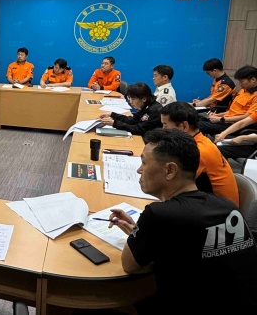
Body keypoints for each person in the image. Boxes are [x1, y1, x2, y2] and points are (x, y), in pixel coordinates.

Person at [108, 129, 257, 313]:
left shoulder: (159, 214)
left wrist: (142, 234)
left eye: (144, 162)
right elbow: (192, 248)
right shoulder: (227, 206)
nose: (139, 170)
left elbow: (130, 265)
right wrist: (143, 233)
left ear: (170, 170)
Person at [160, 102, 238, 205]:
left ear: (184, 126)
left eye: (165, 126)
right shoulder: (198, 141)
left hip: (220, 210)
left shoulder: (199, 151)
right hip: (210, 202)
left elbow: (172, 185)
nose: (163, 130)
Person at [197, 65, 257, 135]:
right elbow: (233, 111)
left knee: (198, 126)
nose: (239, 84)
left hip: (235, 125)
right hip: (226, 120)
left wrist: (221, 119)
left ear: (253, 80)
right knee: (198, 119)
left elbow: (246, 117)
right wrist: (218, 115)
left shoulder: (255, 95)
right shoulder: (243, 90)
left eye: (242, 81)